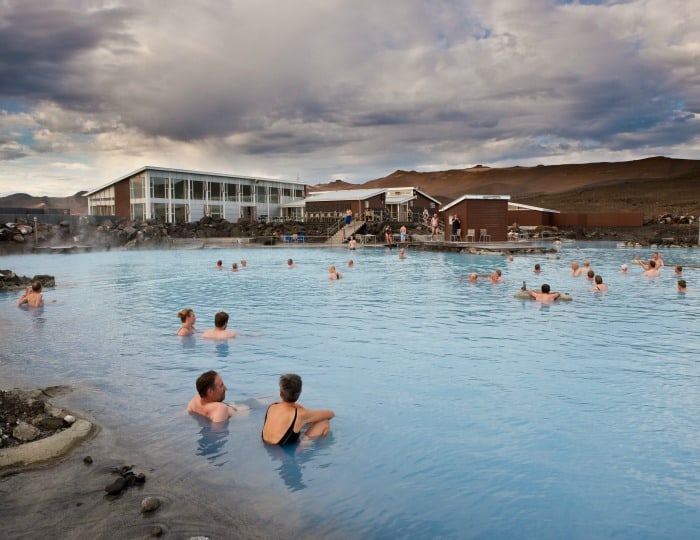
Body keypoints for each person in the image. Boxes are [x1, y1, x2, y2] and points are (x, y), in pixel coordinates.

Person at [261, 373, 334, 445]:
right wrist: (309, 417)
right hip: (284, 451)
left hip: (266, 444)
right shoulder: (299, 414)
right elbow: (331, 414)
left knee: (301, 419)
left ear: (280, 393)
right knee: (324, 422)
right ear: (299, 394)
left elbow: (295, 409)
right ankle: (315, 447)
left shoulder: (273, 406)